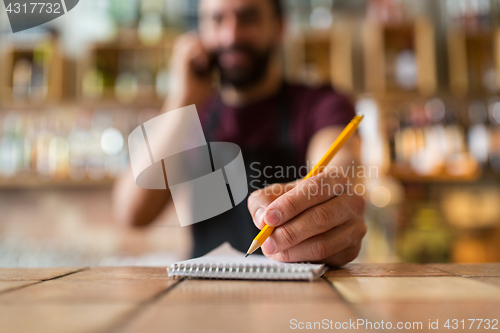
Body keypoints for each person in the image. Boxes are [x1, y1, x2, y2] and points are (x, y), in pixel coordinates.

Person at [113, 0, 366, 266]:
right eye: (217, 20)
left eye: (248, 18)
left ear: (279, 27)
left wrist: (335, 198)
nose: (230, 35)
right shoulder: (191, 116)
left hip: (298, 297)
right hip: (206, 294)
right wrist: (182, 98)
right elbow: (131, 213)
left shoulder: (320, 104)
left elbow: (341, 169)